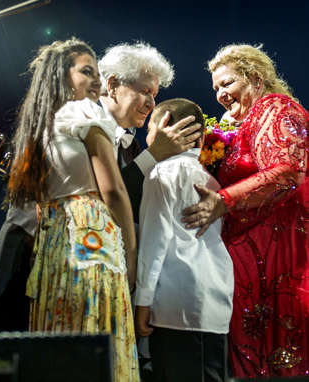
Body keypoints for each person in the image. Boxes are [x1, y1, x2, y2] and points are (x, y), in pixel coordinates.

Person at [7, 38, 139, 381]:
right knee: (98, 327)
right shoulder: (83, 112)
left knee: (62, 326)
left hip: (54, 240)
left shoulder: (39, 123)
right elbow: (113, 190)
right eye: (87, 71)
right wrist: (133, 258)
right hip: (91, 234)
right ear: (60, 76)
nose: (97, 80)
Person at [182, 44, 309, 378]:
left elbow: (289, 171)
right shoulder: (248, 120)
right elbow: (218, 171)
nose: (221, 94)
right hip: (248, 271)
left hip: (281, 266)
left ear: (255, 77)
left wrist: (223, 201)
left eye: (227, 83)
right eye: (216, 89)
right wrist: (220, 138)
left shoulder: (278, 109)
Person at [135, 98, 234, 382]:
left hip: (174, 305)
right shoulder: (215, 179)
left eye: (150, 128)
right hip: (217, 300)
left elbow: (155, 241)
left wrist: (143, 301)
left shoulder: (160, 173)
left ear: (164, 127)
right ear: (203, 137)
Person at [98, 42, 203, 222]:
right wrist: (154, 153)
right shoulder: (81, 124)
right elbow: (101, 201)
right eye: (145, 92)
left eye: (154, 96)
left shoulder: (131, 144)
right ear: (113, 85)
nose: (152, 104)